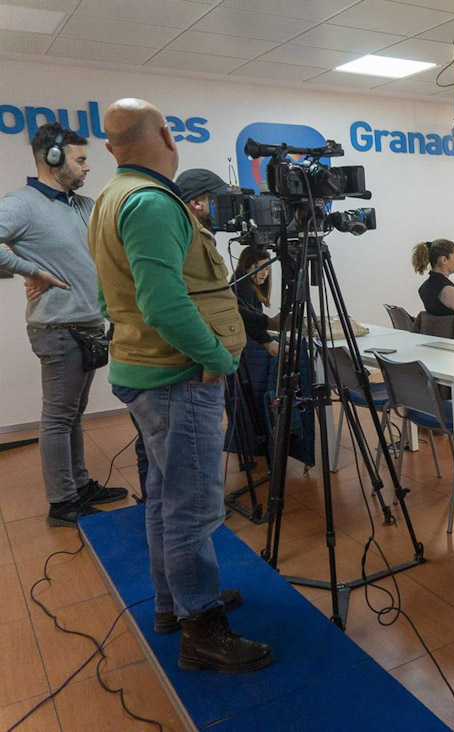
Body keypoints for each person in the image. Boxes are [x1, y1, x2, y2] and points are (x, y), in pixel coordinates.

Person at [89, 98, 272, 672]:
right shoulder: (151, 203)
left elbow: (109, 296)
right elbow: (162, 302)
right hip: (178, 377)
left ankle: (174, 604)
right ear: (167, 135)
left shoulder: (111, 199)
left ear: (111, 147)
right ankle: (203, 631)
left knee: (167, 496)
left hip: (150, 373)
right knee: (192, 508)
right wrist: (215, 357)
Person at [0, 122, 128, 527]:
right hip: (57, 329)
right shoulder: (20, 203)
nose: (88, 167)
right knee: (58, 417)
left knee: (74, 414)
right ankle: (62, 503)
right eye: (81, 159)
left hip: (88, 324)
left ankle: (78, 484)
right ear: (52, 158)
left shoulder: (82, 205)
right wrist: (30, 270)